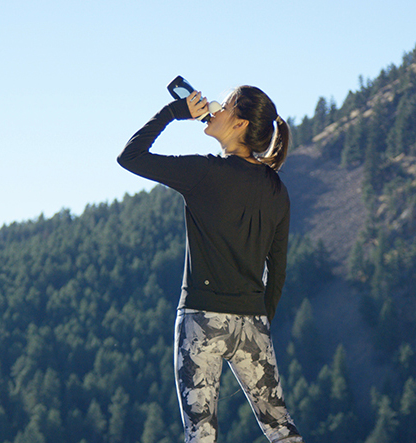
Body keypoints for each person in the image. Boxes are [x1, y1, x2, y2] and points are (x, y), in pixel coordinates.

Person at [117, 84, 303, 443]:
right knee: (281, 429)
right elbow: (277, 269)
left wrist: (173, 112)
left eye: (226, 105)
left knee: (201, 433)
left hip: (202, 318)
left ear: (240, 124)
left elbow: (131, 157)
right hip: (253, 321)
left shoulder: (204, 173)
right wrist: (260, 322)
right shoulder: (278, 190)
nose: (215, 108)